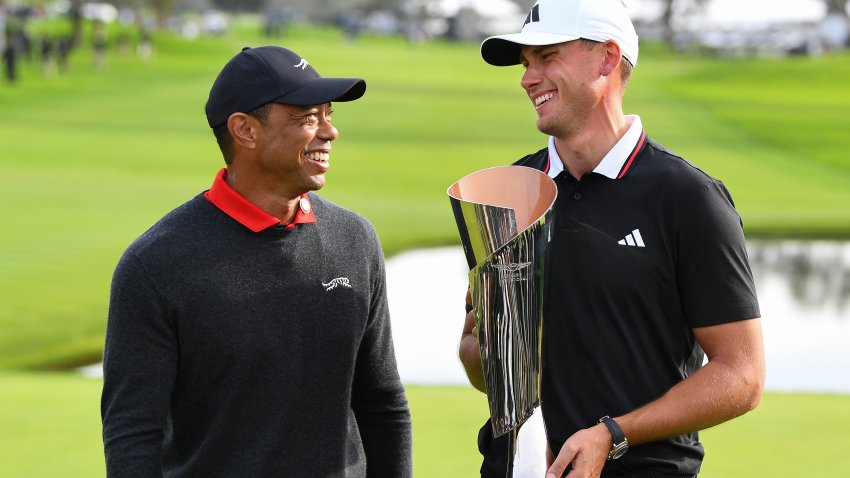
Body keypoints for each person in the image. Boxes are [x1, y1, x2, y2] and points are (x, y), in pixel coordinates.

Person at [458, 1, 766, 477]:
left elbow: (741, 376)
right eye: (525, 64)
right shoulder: (509, 191)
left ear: (606, 58)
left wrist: (614, 433)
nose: (527, 78)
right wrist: (492, 345)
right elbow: (480, 365)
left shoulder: (687, 197)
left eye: (548, 56)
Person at [101, 45, 412, 477]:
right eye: (307, 117)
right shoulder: (155, 264)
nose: (329, 131)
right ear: (245, 130)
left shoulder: (355, 239)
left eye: (328, 113)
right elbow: (132, 432)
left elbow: (382, 401)